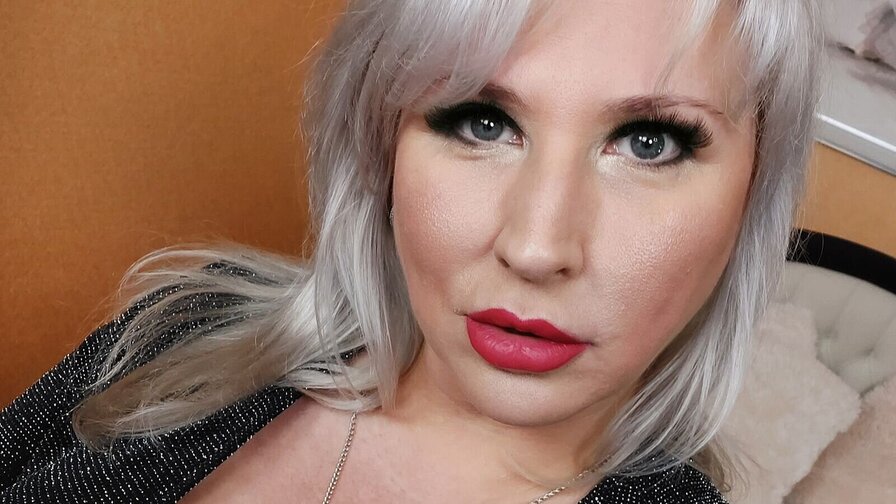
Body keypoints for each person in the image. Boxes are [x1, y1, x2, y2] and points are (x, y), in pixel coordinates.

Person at [0, 0, 822, 502]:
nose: (536, 247)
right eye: (482, 122)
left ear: (753, 194)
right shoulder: (184, 327)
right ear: (381, 146)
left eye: (649, 142)